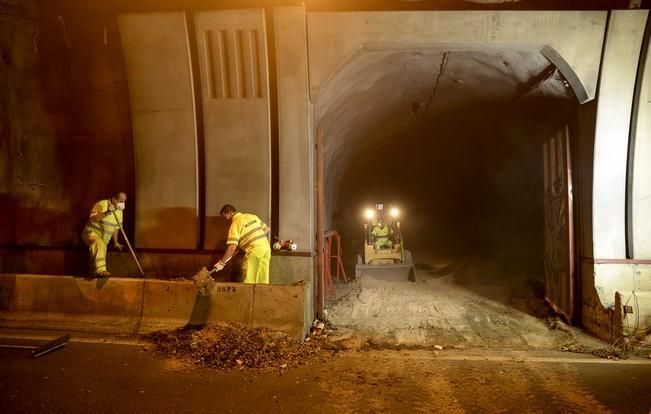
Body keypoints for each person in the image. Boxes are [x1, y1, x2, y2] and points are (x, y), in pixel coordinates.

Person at [214, 204, 271, 284]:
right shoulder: (252, 216)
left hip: (254, 251)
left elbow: (232, 247)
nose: (226, 219)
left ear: (230, 212)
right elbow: (267, 229)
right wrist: (254, 240)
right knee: (262, 279)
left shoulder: (235, 223)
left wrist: (222, 263)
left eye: (225, 216)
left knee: (249, 281)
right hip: (266, 248)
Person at [81, 192, 126, 277]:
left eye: (124, 201)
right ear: (113, 199)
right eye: (120, 201)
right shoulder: (101, 204)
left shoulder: (120, 212)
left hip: (104, 239)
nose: (122, 204)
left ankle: (92, 274)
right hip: (91, 233)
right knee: (99, 243)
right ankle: (102, 271)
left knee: (97, 255)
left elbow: (116, 228)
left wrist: (115, 242)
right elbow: (93, 219)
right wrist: (107, 212)